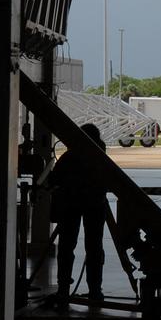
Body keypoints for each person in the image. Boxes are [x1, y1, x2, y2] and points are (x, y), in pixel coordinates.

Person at [49, 123, 109, 304]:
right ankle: (95, 290)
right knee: (94, 248)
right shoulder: (100, 156)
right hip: (95, 205)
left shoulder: (70, 157)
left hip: (70, 205)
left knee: (66, 247)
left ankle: (63, 288)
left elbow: (54, 179)